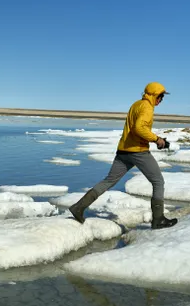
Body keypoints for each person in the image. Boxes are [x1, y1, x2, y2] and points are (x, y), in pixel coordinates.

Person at [69, 82, 178, 229]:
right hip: (138, 151)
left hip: (123, 150)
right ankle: (158, 220)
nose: (161, 100)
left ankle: (79, 207)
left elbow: (135, 128)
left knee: (109, 181)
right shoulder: (147, 107)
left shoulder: (136, 105)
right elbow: (139, 128)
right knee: (158, 182)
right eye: (161, 96)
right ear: (154, 95)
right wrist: (157, 139)